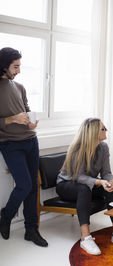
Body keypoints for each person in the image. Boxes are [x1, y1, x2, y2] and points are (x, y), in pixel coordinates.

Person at [56, 118, 113, 255]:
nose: (106, 130)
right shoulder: (76, 149)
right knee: (84, 189)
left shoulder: (103, 147)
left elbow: (106, 173)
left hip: (87, 184)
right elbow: (78, 177)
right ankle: (86, 238)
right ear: (94, 132)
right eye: (103, 128)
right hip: (67, 184)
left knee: (110, 188)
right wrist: (100, 182)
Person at [0, 47, 48, 247]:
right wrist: (12, 119)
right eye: (15, 66)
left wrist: (30, 122)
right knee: (24, 185)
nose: (19, 70)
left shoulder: (19, 87)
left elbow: (26, 110)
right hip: (11, 144)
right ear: (4, 65)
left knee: (33, 187)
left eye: (20, 65)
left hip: (31, 141)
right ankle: (6, 215)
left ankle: (31, 230)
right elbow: (10, 118)